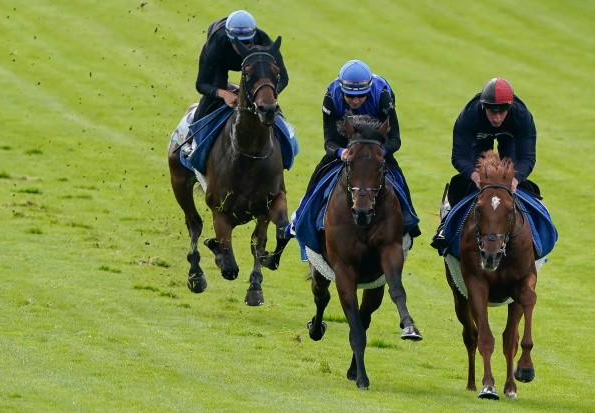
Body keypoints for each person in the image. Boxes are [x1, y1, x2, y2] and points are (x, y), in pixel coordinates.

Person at [305, 59, 420, 237]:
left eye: (362, 96)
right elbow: (329, 141)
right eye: (350, 96)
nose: (356, 101)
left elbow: (395, 139)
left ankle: (409, 218)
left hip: (375, 147)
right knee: (317, 175)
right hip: (346, 145)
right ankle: (302, 218)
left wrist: (379, 153)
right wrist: (340, 152)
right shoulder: (331, 96)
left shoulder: (382, 96)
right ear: (341, 90)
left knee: (398, 176)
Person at [431, 77, 539, 248]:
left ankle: (537, 229)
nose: (497, 119)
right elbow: (459, 156)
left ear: (509, 109)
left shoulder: (522, 116)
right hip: (478, 138)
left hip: (511, 139)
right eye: (492, 113)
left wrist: (514, 180)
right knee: (466, 182)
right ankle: (446, 226)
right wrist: (475, 177)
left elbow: (527, 158)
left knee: (517, 178)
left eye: (502, 113)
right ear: (483, 107)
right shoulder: (469, 116)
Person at [192, 10, 289, 122]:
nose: (242, 47)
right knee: (215, 92)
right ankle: (191, 134)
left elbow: (284, 78)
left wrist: (265, 93)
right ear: (229, 38)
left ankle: (289, 138)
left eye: (247, 41)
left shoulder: (263, 41)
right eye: (237, 42)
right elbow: (201, 84)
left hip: (254, 64)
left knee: (269, 104)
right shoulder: (215, 45)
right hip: (222, 62)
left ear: (253, 36)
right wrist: (224, 94)